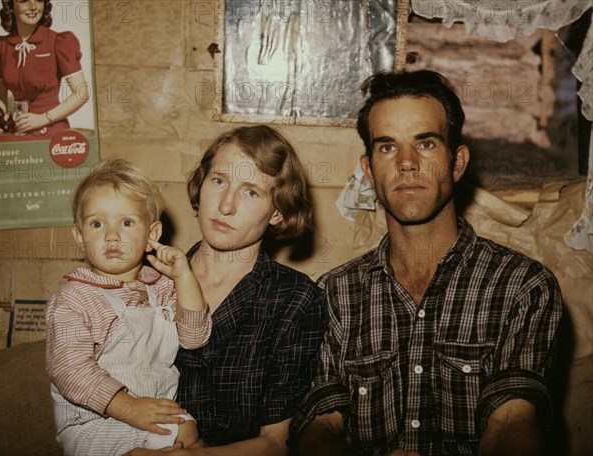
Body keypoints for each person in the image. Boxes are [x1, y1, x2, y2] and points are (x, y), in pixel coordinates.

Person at [290, 70, 563, 456]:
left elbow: (512, 420)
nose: (405, 163)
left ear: (457, 161)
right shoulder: (333, 294)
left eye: (426, 144)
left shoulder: (522, 285)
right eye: (387, 147)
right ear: (369, 171)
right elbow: (317, 428)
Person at [125, 125, 326, 455]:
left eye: (251, 192)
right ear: (201, 184)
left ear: (277, 211)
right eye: (218, 181)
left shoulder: (296, 300)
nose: (226, 205)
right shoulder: (147, 281)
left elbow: (276, 443)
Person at [45, 159, 212, 455]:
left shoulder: (160, 289)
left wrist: (184, 277)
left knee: (188, 432)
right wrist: (128, 406)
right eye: (97, 224)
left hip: (149, 412)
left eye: (127, 222)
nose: (111, 235)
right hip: (93, 420)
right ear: (79, 237)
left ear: (152, 234)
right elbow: (69, 368)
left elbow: (194, 338)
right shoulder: (75, 297)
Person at [0, 0, 89, 140]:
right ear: (11, 6)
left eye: (38, 0)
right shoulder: (0, 46)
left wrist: (43, 119)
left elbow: (82, 93)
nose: (33, 7)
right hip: (16, 127)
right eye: (24, 1)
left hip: (50, 127)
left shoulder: (59, 41)